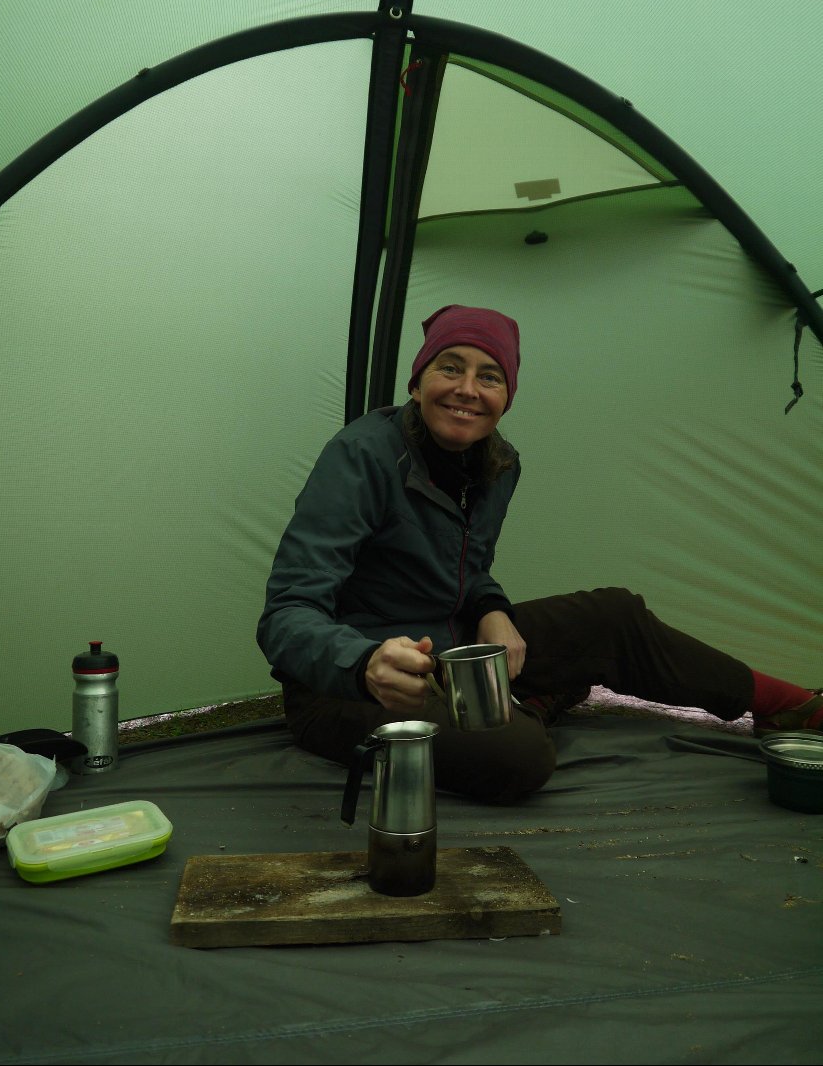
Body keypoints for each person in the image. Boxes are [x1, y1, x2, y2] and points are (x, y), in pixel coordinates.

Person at [257, 304, 822, 804]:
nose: (467, 390)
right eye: (449, 367)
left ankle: (789, 704)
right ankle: (534, 705)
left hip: (452, 655)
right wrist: (363, 664)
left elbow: (467, 570)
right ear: (417, 380)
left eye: (490, 377)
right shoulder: (361, 456)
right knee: (516, 759)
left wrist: (493, 609)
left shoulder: (498, 463)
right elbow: (286, 613)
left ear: (507, 396)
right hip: (346, 689)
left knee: (614, 615)